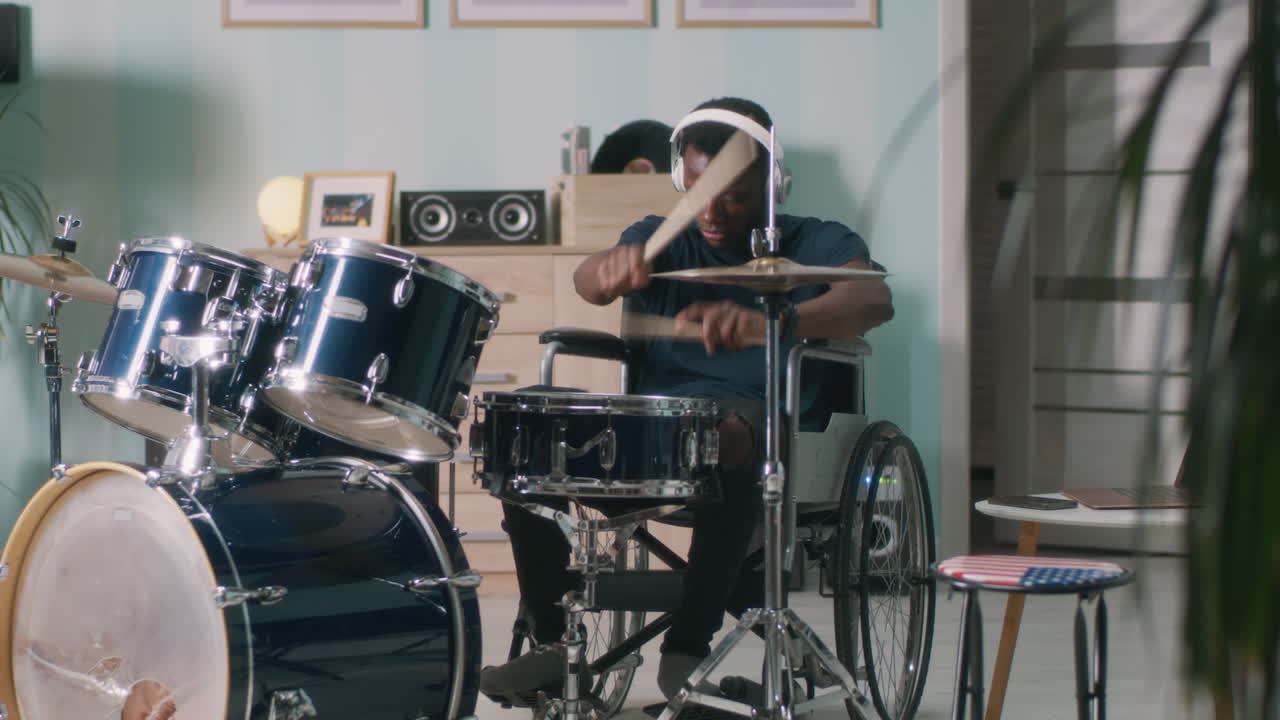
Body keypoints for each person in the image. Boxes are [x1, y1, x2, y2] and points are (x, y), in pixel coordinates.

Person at [479, 96, 894, 706]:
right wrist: (611, 266)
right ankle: (550, 646)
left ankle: (688, 647)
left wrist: (771, 322)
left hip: (758, 433)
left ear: (772, 185)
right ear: (681, 178)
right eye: (699, 192)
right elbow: (589, 282)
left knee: (722, 432)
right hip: (655, 438)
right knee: (526, 429)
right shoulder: (659, 235)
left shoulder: (818, 239)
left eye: (734, 194)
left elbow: (874, 301)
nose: (713, 211)